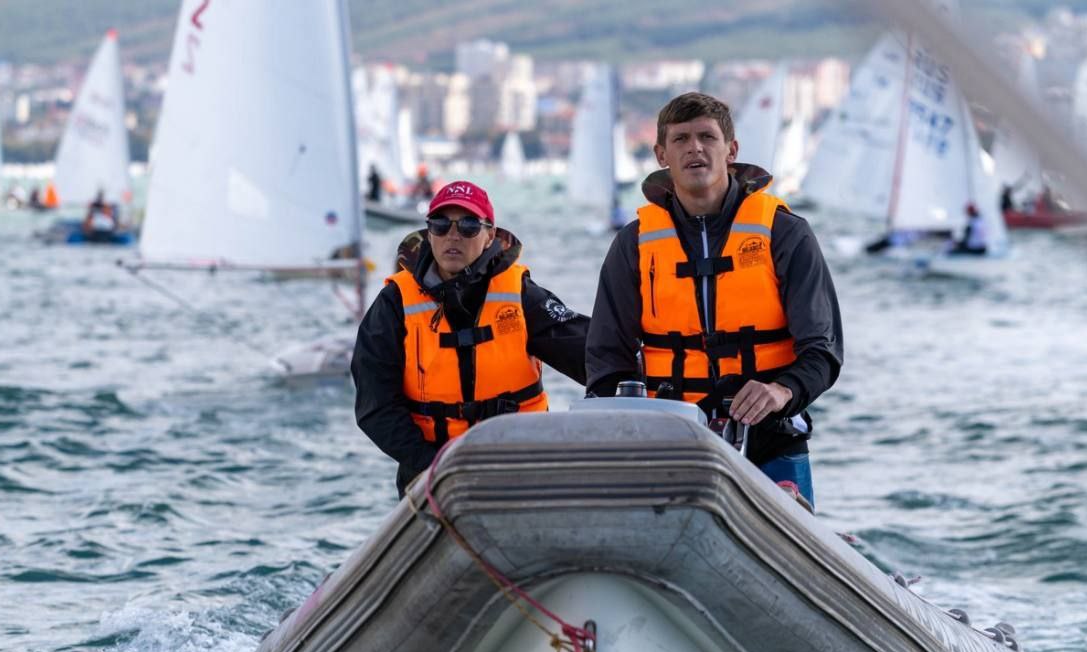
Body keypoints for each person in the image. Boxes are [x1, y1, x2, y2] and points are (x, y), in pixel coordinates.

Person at [585, 92, 843, 510]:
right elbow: (605, 357)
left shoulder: (785, 233)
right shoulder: (633, 245)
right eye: (681, 139)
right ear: (661, 154)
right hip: (668, 441)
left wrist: (781, 391)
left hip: (770, 438)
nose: (695, 148)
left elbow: (823, 351)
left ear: (731, 150)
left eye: (707, 136)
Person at [352, 180, 590, 494]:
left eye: (468, 225)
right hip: (431, 478)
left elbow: (591, 355)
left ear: (490, 235)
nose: (453, 235)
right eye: (440, 225)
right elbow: (375, 405)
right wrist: (436, 467)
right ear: (428, 233)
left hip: (520, 470)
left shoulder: (520, 296)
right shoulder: (395, 303)